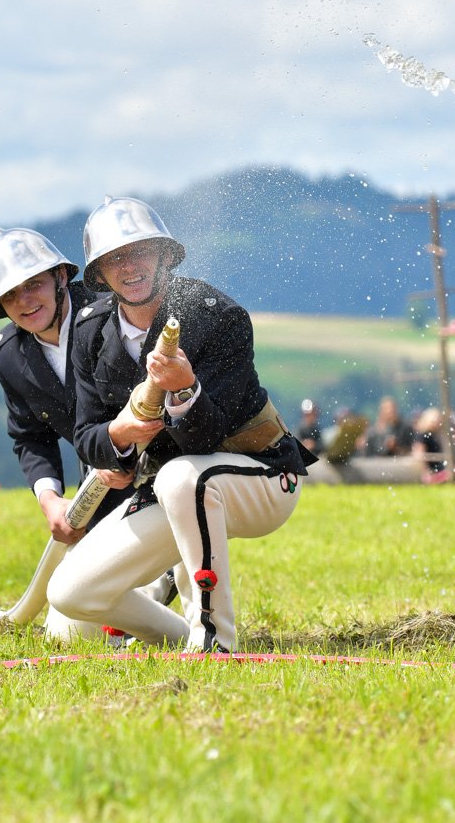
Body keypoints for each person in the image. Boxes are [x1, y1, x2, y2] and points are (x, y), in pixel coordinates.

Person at [47, 196, 317, 652]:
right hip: (172, 489)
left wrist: (185, 389)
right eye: (114, 259)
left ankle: (214, 642)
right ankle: (178, 637)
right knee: (71, 593)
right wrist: (119, 435)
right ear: (100, 275)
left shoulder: (218, 316)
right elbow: (87, 436)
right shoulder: (90, 330)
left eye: (140, 251)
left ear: (165, 255)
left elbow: (207, 438)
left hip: (263, 478)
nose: (129, 266)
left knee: (180, 477)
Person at [0, 227, 175, 640]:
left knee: (132, 588)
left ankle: (180, 599)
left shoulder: (116, 312)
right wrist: (51, 501)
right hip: (101, 490)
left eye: (33, 284)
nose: (25, 301)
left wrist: (121, 451)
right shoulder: (8, 354)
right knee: (67, 633)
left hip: (170, 477)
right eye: (10, 295)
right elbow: (30, 437)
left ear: (60, 277)